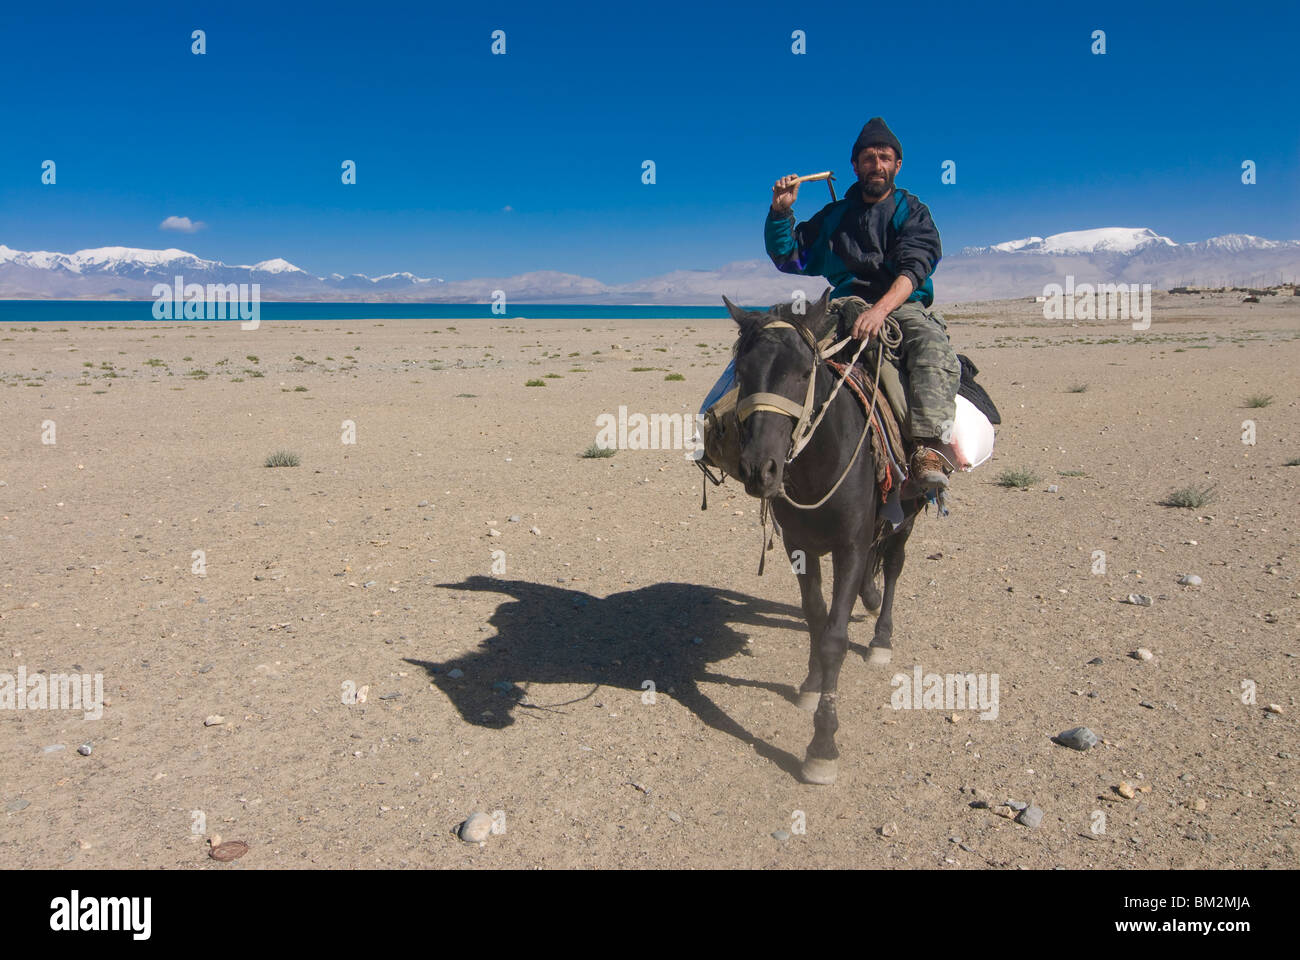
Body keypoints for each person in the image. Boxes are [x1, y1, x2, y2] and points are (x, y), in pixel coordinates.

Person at [765, 117, 961, 492]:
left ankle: (928, 448)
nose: (877, 164)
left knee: (931, 347)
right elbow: (789, 255)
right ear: (855, 166)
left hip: (899, 306)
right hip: (840, 306)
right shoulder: (834, 218)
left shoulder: (911, 210)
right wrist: (780, 212)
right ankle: (731, 432)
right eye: (868, 158)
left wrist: (880, 310)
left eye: (884, 157)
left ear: (897, 165)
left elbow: (915, 267)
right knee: (775, 341)